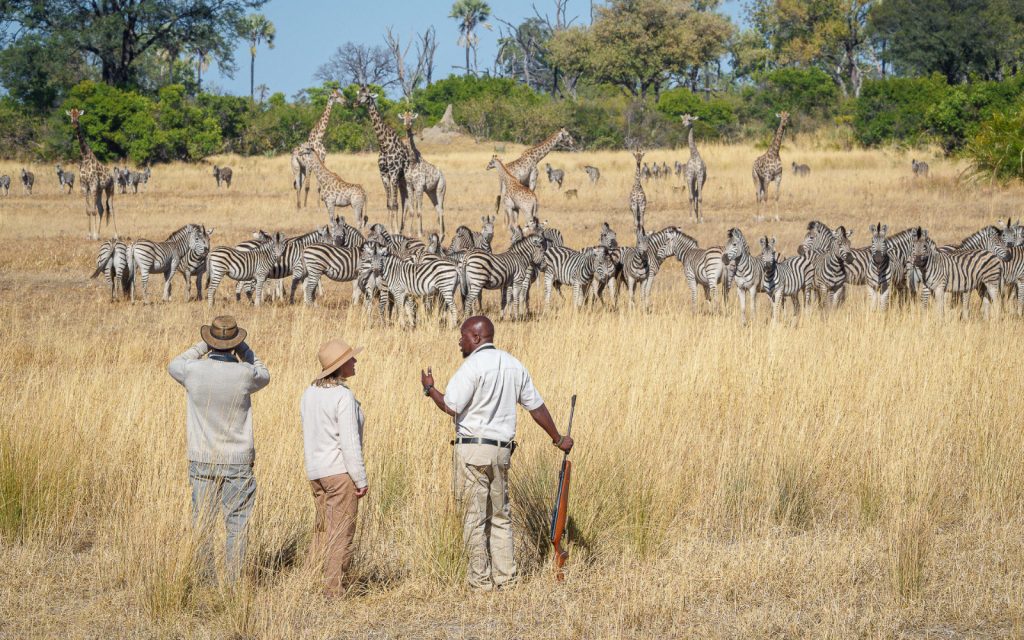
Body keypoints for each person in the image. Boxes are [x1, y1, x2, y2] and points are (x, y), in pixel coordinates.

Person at [420, 315, 573, 591]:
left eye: (463, 335)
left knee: (474, 516)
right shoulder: (514, 365)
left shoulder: (472, 366)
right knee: (501, 515)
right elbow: (536, 407)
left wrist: (430, 388)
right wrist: (557, 438)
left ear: (477, 337)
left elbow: (452, 406)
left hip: (472, 449)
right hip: (502, 452)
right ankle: (507, 578)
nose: (459, 341)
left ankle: (480, 582)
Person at [167, 315, 270, 582]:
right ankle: (234, 583)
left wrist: (200, 347)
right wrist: (246, 350)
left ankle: (206, 580)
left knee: (203, 524)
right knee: (237, 524)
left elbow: (173, 363)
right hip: (237, 459)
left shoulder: (192, 371)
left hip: (202, 458)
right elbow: (264, 373)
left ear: (210, 342)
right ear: (235, 343)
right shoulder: (245, 373)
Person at [300, 338, 368, 597]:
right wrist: (360, 479)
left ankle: (308, 580)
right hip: (339, 472)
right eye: (350, 359)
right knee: (341, 531)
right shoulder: (343, 396)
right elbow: (349, 442)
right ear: (339, 367)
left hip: (316, 472)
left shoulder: (309, 394)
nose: (355, 361)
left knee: (322, 529)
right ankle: (334, 589)